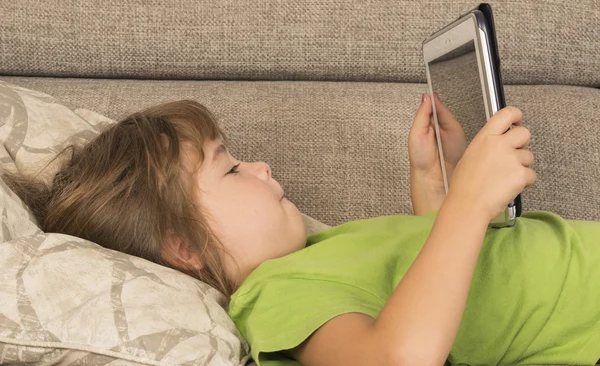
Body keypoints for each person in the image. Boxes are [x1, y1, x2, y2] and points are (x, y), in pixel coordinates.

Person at [2, 96, 600, 366]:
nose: (262, 168)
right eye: (231, 168)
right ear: (184, 248)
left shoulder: (320, 252)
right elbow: (395, 358)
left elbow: (435, 297)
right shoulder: (277, 294)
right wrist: (469, 203)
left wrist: (434, 187)